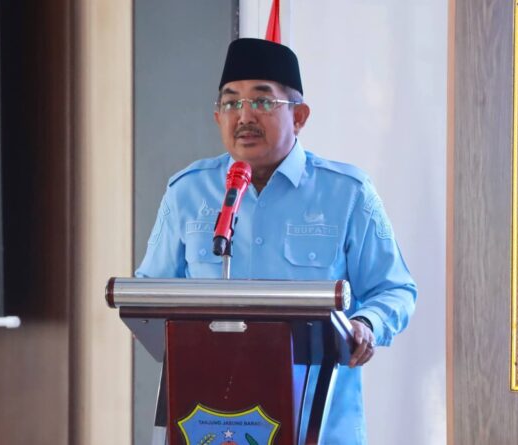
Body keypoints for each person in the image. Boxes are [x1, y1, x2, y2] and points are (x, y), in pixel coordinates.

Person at [135, 38, 416, 444]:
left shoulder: (348, 193)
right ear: (217, 117)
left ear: (299, 116)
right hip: (211, 424)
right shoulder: (187, 193)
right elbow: (148, 295)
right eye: (231, 103)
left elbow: (395, 288)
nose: (244, 116)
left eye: (263, 102)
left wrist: (366, 323)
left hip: (319, 427)